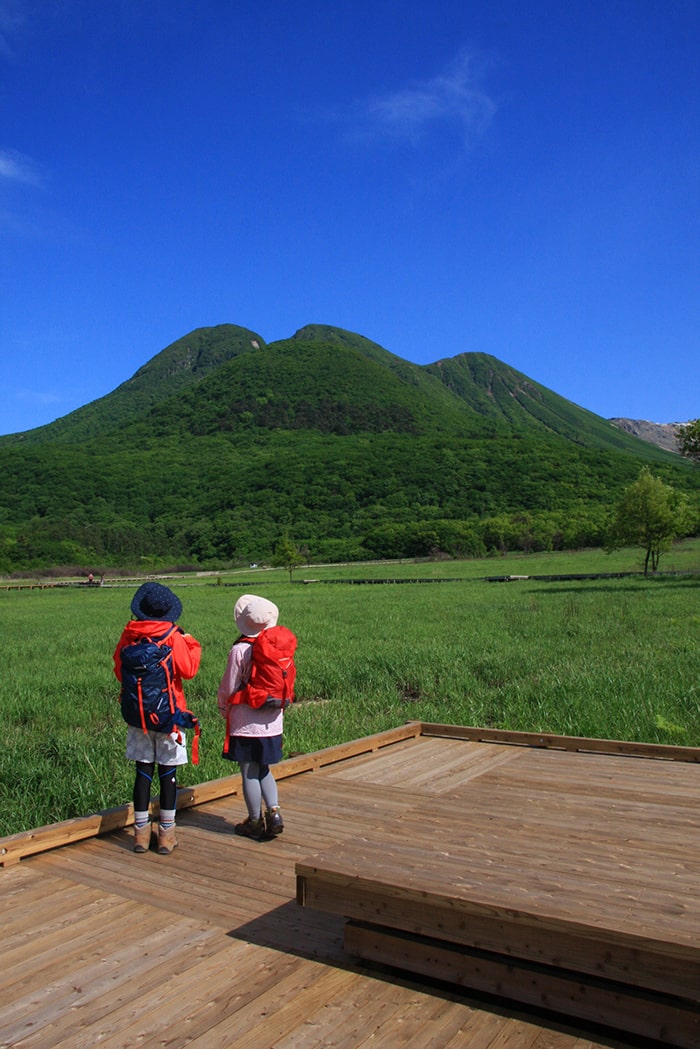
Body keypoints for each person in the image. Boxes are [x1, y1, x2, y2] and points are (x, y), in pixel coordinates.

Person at [113, 582, 202, 855]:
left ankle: (140, 835)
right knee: (168, 775)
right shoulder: (173, 636)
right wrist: (192, 643)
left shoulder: (129, 635)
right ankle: (166, 836)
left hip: (138, 717)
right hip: (169, 716)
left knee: (142, 772)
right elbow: (188, 670)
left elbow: (119, 671)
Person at [218, 594, 287, 840]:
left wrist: (223, 707)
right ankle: (275, 812)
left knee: (248, 771)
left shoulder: (239, 649)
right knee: (264, 769)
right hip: (272, 721)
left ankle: (255, 821)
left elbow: (229, 685)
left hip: (246, 723)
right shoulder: (279, 648)